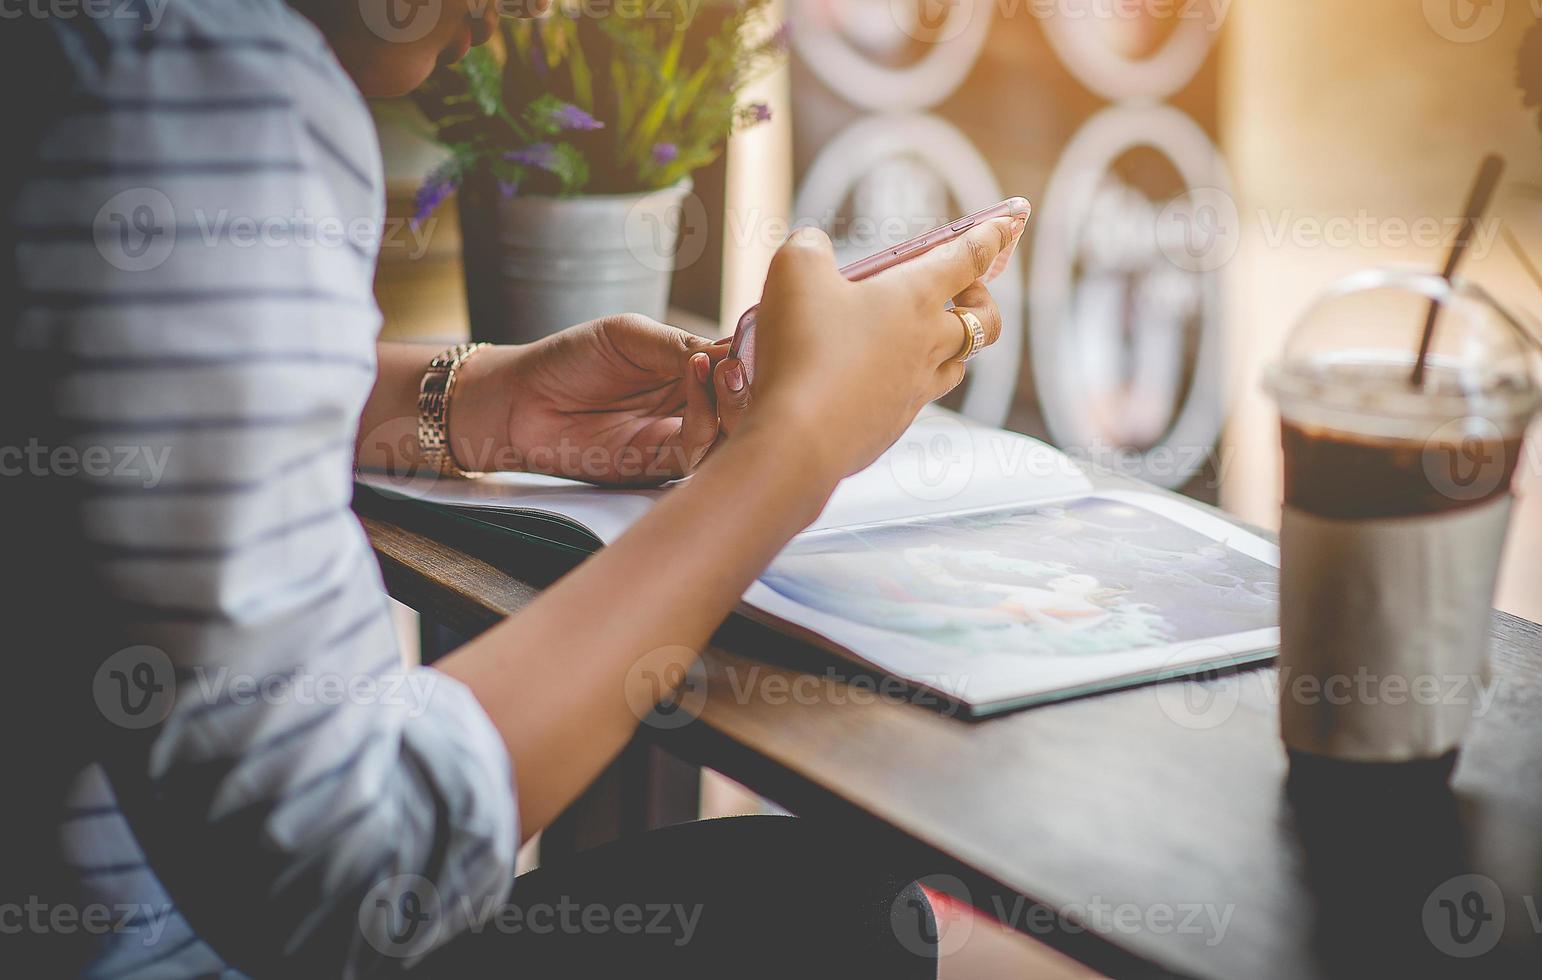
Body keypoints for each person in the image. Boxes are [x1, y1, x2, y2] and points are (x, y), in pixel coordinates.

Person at [0, 0, 1015, 975]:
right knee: (838, 914)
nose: (536, 9)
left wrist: (477, 402)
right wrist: (789, 453)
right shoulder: (190, 87)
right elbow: (355, 874)